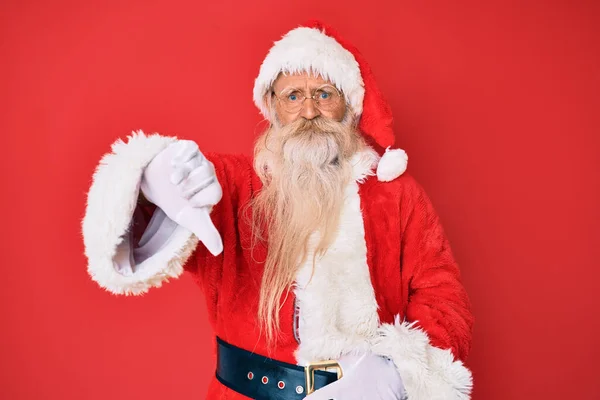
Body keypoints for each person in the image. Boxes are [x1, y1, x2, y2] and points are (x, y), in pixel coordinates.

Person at [82, 20, 474, 400]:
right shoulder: (230, 185)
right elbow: (145, 216)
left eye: (323, 94)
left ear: (349, 107)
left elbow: (444, 299)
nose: (308, 112)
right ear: (271, 106)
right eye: (293, 96)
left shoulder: (397, 196)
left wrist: (393, 373)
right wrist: (153, 175)